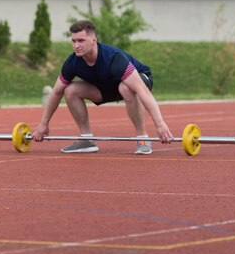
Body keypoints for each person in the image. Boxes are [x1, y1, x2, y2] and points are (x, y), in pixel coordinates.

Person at [31, 19, 173, 155]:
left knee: (126, 88)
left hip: (139, 80)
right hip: (107, 87)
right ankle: (87, 139)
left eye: (81, 40)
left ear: (94, 40)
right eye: (73, 41)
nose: (76, 45)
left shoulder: (113, 57)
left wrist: (160, 124)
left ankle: (142, 138)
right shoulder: (72, 62)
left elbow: (142, 90)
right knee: (70, 90)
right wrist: (43, 124)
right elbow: (56, 92)